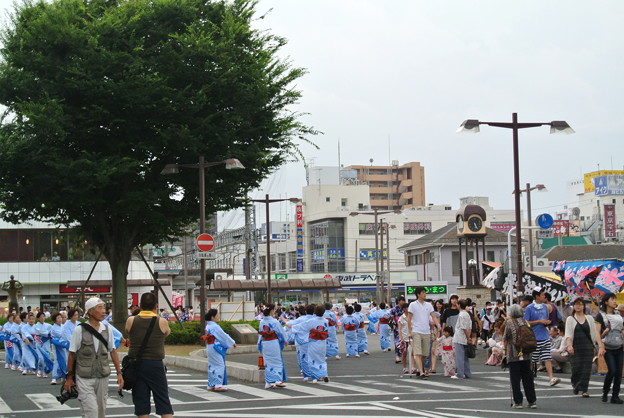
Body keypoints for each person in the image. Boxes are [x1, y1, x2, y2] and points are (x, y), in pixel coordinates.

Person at [64, 297, 124, 418]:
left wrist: (119, 373)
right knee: (91, 411)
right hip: (84, 376)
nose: (104, 311)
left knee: (101, 411)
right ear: (90, 311)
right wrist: (69, 377)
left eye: (104, 308)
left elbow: (113, 351)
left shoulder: (107, 330)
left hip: (103, 375)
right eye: (100, 308)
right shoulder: (79, 330)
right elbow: (71, 354)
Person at [125, 292, 174, 418]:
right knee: (163, 400)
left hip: (137, 365)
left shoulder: (131, 320)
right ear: (156, 306)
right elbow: (167, 333)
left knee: (141, 402)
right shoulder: (162, 321)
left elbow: (127, 332)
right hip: (155, 364)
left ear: (140, 306)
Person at [565, 298, 605, 398]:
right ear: (573, 306)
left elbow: (595, 333)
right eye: (576, 304)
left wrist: (599, 345)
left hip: (587, 345)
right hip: (575, 346)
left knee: (586, 368)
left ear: (584, 306)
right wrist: (569, 345)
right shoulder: (570, 319)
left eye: (580, 304)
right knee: (576, 367)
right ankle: (576, 384)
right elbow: (568, 334)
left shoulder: (590, 318)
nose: (578, 306)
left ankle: (584, 389)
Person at [524, 288, 560, 387]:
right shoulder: (529, 308)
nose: (544, 296)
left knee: (547, 357)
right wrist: (539, 321)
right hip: (534, 337)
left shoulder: (545, 307)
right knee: (533, 359)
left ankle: (551, 377)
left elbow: (546, 319)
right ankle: (529, 378)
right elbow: (526, 322)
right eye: (542, 294)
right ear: (537, 296)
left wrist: (546, 322)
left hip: (545, 335)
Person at [504, 304, 537, 409]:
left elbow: (505, 338)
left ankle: (518, 402)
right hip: (526, 353)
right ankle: (532, 401)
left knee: (515, 379)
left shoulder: (509, 323)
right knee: (528, 378)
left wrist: (505, 352)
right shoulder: (526, 322)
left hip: (514, 354)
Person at [594, 293, 623, 404]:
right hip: (607, 347)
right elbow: (597, 332)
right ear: (606, 302)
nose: (614, 301)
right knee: (612, 370)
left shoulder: (618, 315)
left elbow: (621, 329)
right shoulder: (600, 316)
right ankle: (605, 392)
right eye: (612, 299)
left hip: (619, 345)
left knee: (619, 372)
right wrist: (600, 345)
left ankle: (615, 396)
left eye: (615, 299)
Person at [292, 305, 330, 384]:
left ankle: (314, 378)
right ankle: (324, 374)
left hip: (313, 342)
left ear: (315, 312)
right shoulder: (326, 321)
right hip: (322, 342)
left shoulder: (312, 321)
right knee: (321, 359)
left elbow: (302, 327)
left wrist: (292, 327)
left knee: (312, 359)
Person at [407, 287, 439, 378]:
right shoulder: (413, 305)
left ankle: (419, 368)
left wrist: (438, 325)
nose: (425, 294)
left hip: (426, 331)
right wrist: (409, 331)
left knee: (425, 353)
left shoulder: (428, 305)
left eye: (425, 292)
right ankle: (421, 372)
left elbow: (433, 316)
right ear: (418, 294)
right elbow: (409, 319)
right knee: (418, 352)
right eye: (423, 292)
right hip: (416, 330)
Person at [204, 308, 236, 391]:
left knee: (212, 365)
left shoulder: (208, 325)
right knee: (220, 365)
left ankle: (211, 384)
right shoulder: (214, 326)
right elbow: (223, 336)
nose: (218, 317)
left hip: (210, 346)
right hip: (215, 347)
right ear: (212, 317)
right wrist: (232, 342)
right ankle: (218, 384)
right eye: (217, 315)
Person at [258, 304, 288, 389]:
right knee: (277, 361)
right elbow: (281, 332)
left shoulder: (262, 322)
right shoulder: (275, 321)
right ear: (272, 311)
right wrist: (285, 340)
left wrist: (259, 344)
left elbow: (260, 334)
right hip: (273, 342)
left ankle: (268, 382)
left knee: (268, 362)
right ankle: (278, 380)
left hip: (265, 343)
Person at [286, 304, 315, 380]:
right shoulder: (317, 319)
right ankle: (317, 373)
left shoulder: (301, 320)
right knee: (314, 357)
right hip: (315, 341)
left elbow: (289, 325)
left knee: (303, 358)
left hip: (302, 341)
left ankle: (306, 374)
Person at [451, 299, 472, 380]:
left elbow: (463, 327)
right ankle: (467, 373)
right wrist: (469, 337)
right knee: (465, 357)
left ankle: (460, 373)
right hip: (465, 337)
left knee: (459, 356)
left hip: (460, 337)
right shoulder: (467, 314)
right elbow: (469, 327)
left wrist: (467, 337)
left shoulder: (461, 315)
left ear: (459, 305)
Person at [50, 311, 69, 385]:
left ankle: (63, 377)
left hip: (62, 345)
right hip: (57, 346)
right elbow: (61, 335)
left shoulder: (63, 326)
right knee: (57, 361)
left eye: (60, 317)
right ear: (54, 320)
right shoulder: (54, 327)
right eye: (58, 318)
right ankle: (54, 377)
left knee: (64, 360)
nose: (60, 319)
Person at [34, 311, 53, 379]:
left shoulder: (48, 325)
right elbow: (40, 332)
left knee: (46, 357)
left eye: (43, 316)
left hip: (46, 343)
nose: (42, 318)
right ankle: (39, 369)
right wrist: (47, 333)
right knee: (41, 358)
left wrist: (47, 333)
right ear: (38, 318)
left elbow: (51, 331)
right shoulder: (36, 326)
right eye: (41, 317)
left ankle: (45, 371)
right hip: (39, 343)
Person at [397, 304, 414, 373]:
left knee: (413, 352)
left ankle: (413, 367)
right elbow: (399, 329)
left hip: (412, 337)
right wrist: (401, 338)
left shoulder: (412, 316)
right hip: (404, 337)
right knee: (404, 353)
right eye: (407, 308)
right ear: (404, 309)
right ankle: (405, 367)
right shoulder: (401, 317)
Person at [390, 296, 407, 363]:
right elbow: (391, 317)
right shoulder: (394, 309)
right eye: (401, 300)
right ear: (398, 301)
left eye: (403, 300)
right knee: (397, 341)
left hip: (405, 327)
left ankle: (403, 355)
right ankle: (397, 356)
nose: (402, 302)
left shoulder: (405, 308)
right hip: (397, 326)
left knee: (405, 341)